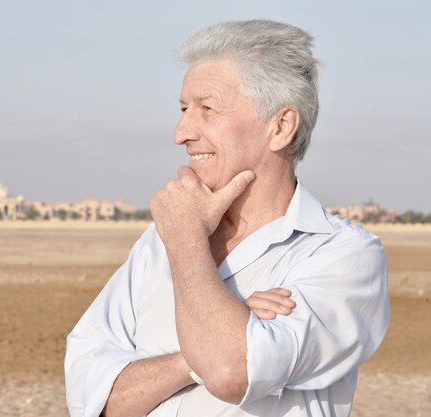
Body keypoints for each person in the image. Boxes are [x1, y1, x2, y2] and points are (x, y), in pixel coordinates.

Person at [65, 19, 390, 417]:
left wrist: (187, 245)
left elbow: (231, 370)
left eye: (207, 108)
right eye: (184, 109)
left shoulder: (343, 256)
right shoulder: (158, 241)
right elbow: (92, 399)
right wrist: (189, 361)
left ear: (281, 126)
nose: (181, 132)